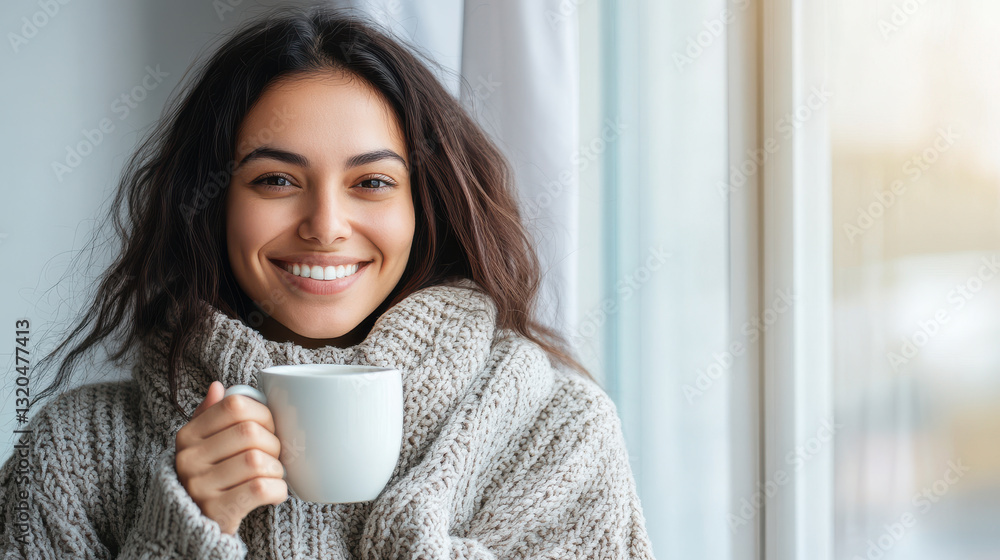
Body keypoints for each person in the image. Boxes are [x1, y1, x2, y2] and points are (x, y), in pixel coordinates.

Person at [0, 6, 654, 559]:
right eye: (276, 180)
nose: (325, 225)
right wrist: (180, 533)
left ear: (425, 208)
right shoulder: (74, 451)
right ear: (212, 201)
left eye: (372, 183)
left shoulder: (559, 438)